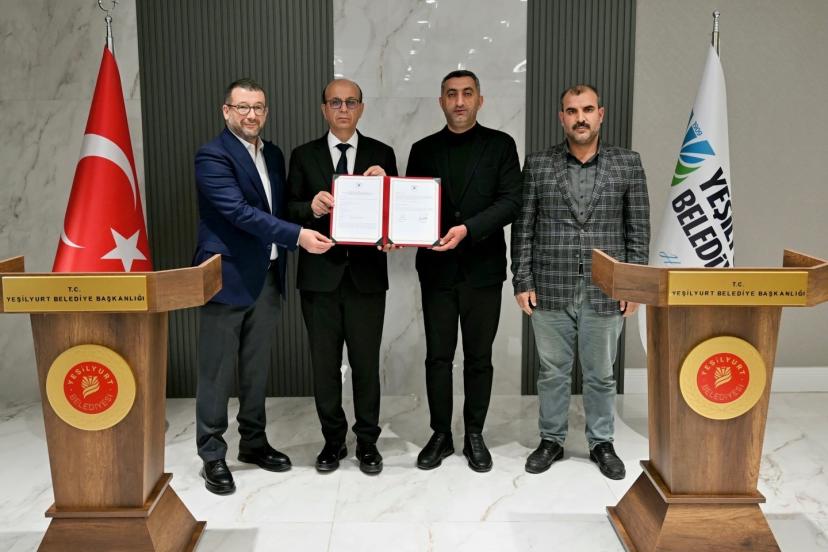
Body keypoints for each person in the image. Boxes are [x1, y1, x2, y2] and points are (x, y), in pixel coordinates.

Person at [193, 78, 333, 495]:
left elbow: (278, 207)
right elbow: (239, 212)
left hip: (268, 276)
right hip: (225, 277)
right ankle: (212, 454)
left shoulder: (272, 154)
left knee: (255, 368)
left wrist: (310, 211)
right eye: (243, 107)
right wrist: (298, 235)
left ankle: (253, 442)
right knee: (217, 370)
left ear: (266, 112)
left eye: (258, 107)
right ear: (226, 111)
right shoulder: (212, 155)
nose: (251, 114)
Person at [510, 84, 650, 480]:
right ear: (562, 118)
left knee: (601, 374)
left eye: (587, 110)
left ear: (600, 114)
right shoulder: (539, 164)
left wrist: (633, 285)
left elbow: (638, 228)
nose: (580, 118)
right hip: (549, 285)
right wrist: (522, 279)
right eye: (572, 111)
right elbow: (524, 227)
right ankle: (551, 440)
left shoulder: (627, 164)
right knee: (552, 371)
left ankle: (601, 442)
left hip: (605, 289)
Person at [406, 70, 522, 472]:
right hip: (436, 270)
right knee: (438, 357)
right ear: (441, 101)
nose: (459, 101)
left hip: (483, 271)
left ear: (479, 100)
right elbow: (410, 204)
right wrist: (397, 230)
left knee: (478, 358)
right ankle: (440, 434)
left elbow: (512, 201)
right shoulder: (422, 149)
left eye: (467, 93)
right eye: (452, 94)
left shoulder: (501, 145)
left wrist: (468, 229)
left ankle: (475, 433)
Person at [286, 79, 397, 475]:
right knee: (325, 366)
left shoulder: (382, 154)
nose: (344, 109)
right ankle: (332, 440)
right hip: (319, 280)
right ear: (324, 109)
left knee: (366, 365)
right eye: (336, 102)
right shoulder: (303, 155)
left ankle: (367, 442)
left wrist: (387, 192)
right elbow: (287, 208)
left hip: (367, 278)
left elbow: (394, 217)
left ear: (361, 108)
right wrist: (310, 208)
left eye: (351, 102)